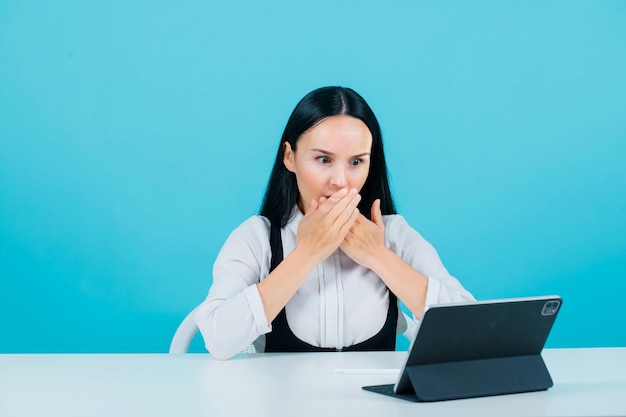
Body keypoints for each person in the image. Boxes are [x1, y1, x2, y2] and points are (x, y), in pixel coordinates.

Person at [195, 86, 474, 360]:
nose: (340, 181)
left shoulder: (394, 235)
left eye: (356, 162)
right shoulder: (257, 237)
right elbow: (218, 341)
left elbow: (471, 331)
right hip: (280, 405)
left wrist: (377, 255)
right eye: (323, 159)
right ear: (289, 156)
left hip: (376, 406)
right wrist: (306, 254)